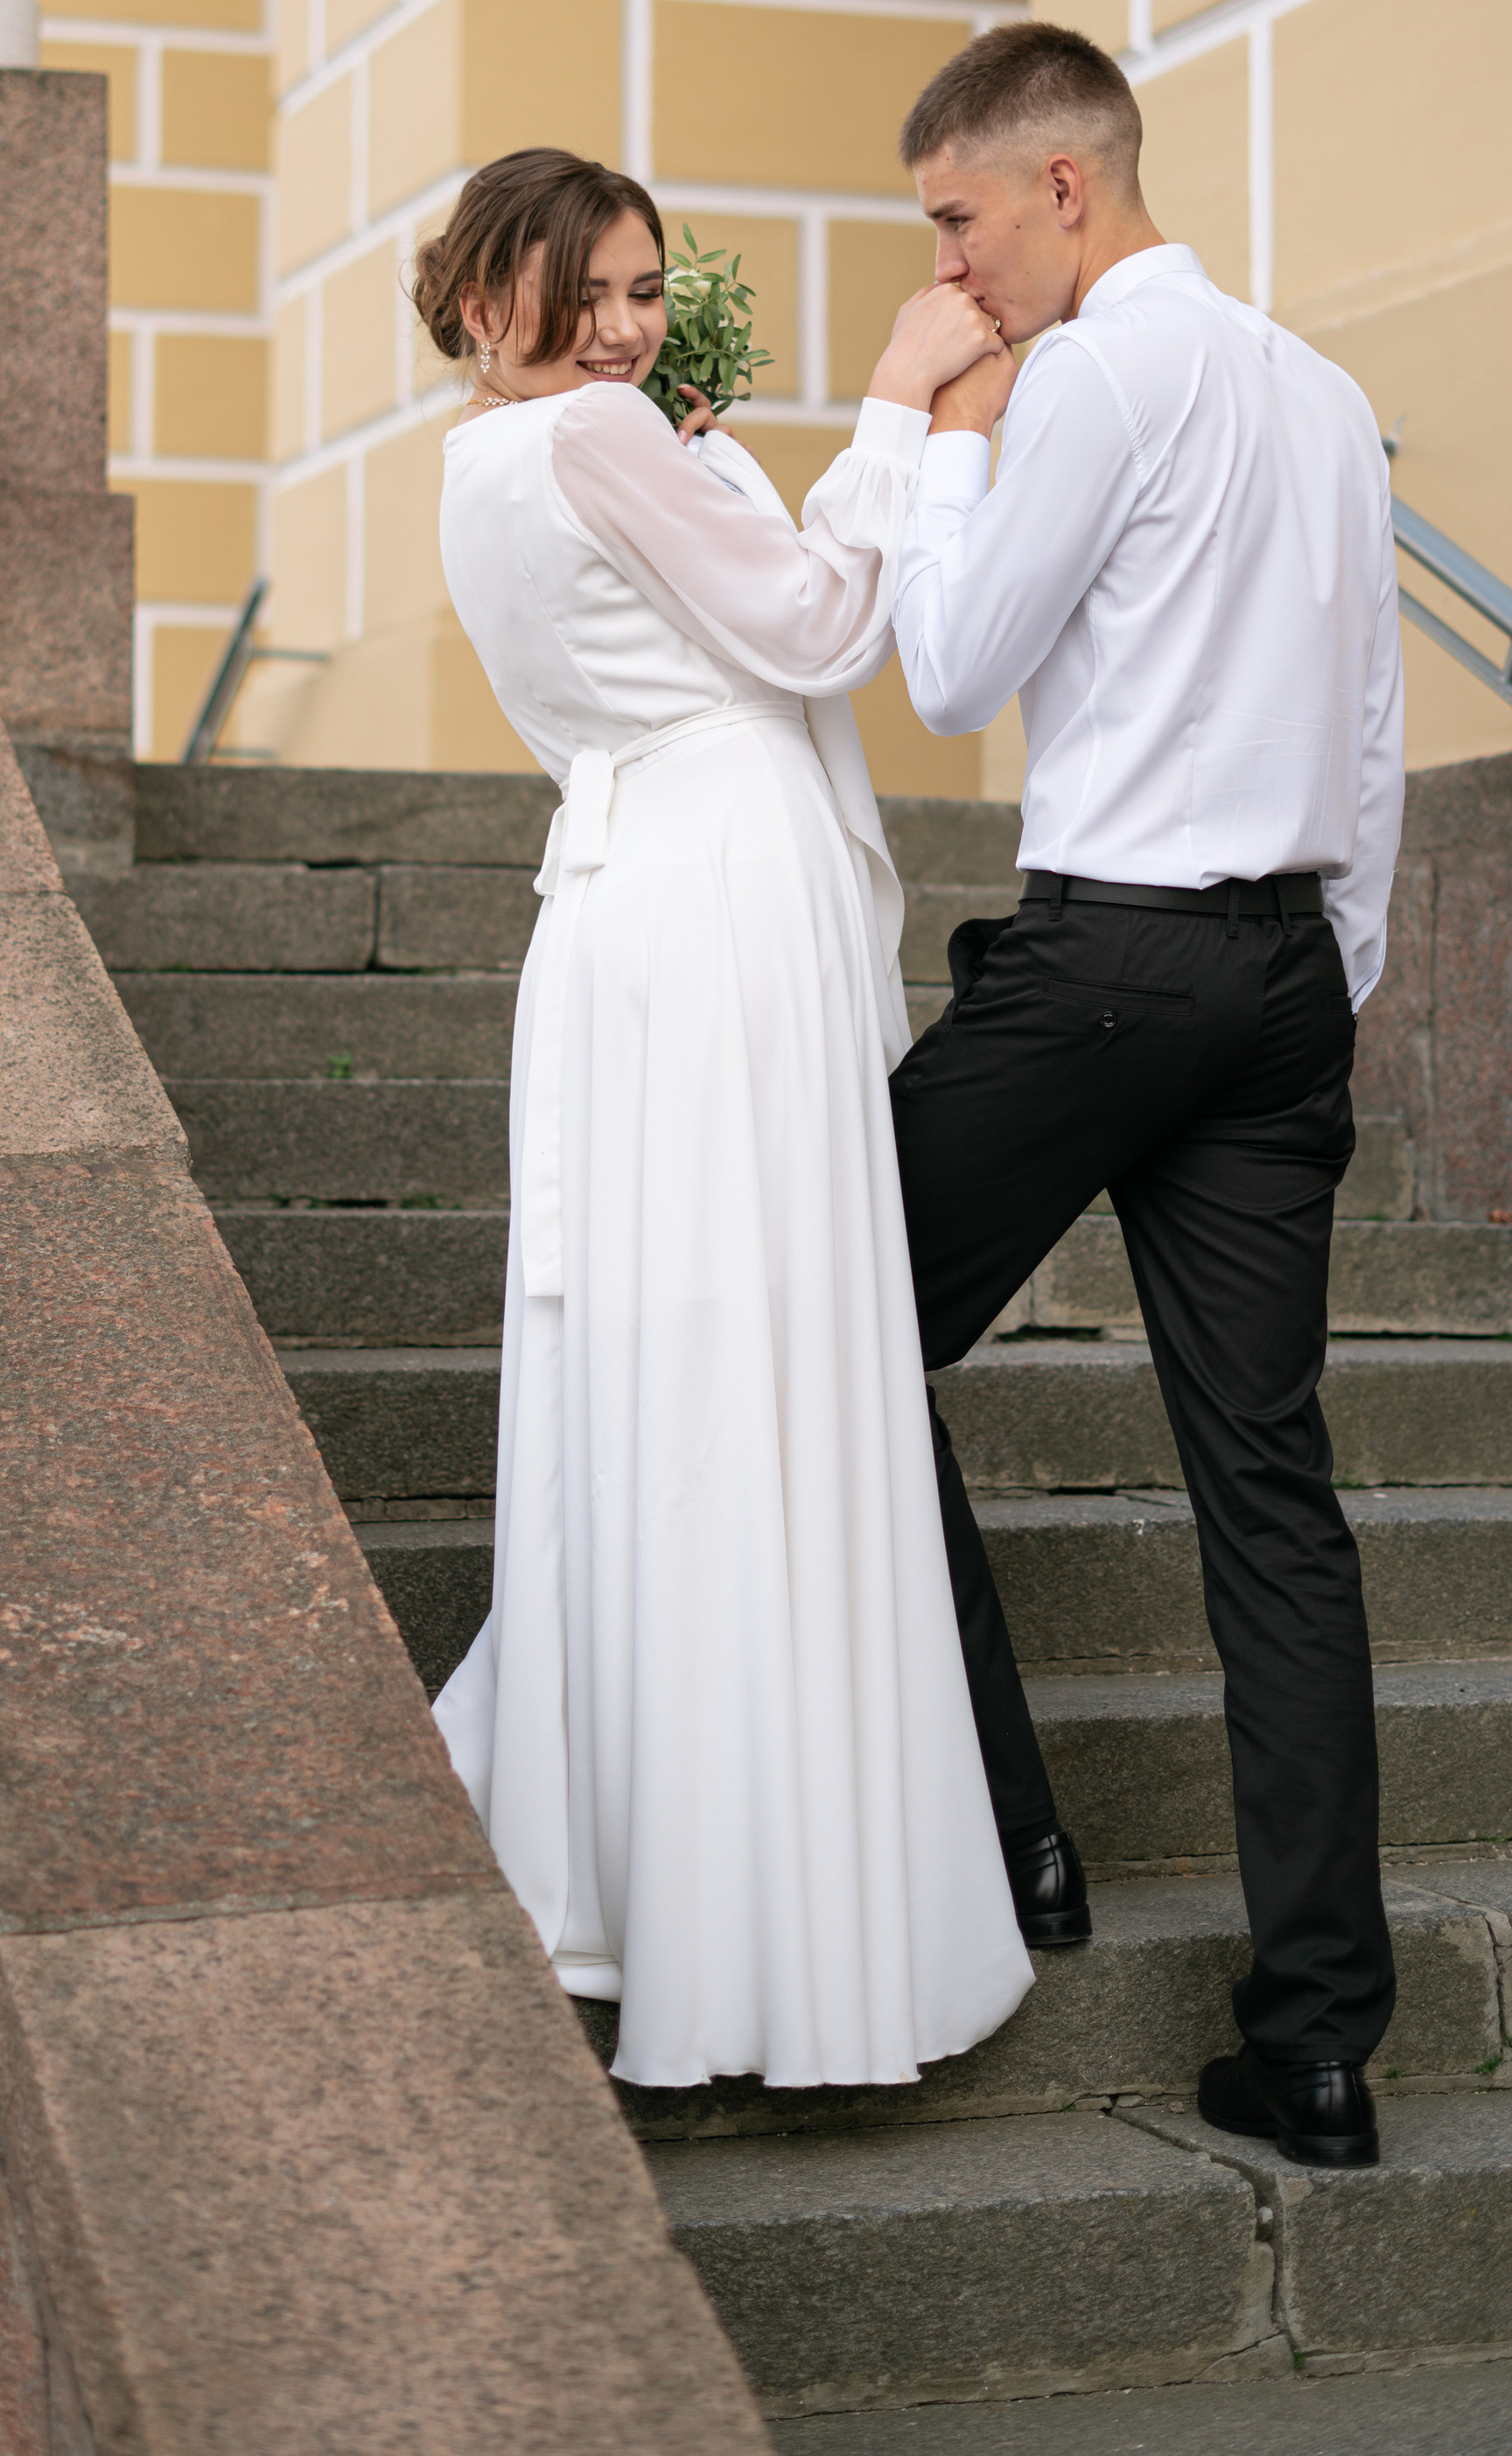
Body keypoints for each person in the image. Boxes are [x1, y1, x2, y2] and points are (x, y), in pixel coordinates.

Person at [421, 145, 1032, 2092]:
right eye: (590, 287)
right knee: (758, 1352)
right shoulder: (593, 439)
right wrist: (880, 410)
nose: (622, 326)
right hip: (707, 895)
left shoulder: (475, 463)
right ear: (492, 288)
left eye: (640, 291)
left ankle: (645, 1877)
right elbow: (808, 628)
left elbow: (712, 618)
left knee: (671, 1359)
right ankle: (768, 1912)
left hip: (624, 909)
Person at [885, 23, 1405, 2172]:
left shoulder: (1096, 369)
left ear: (1061, 186)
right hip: (1281, 970)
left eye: (952, 218)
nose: (946, 263)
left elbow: (944, 663)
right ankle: (1313, 2050)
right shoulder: (1321, 391)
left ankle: (1012, 1839)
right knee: (1269, 1500)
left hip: (1115, 956)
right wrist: (1321, 986)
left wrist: (925, 420)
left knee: (811, 1298)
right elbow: (1363, 736)